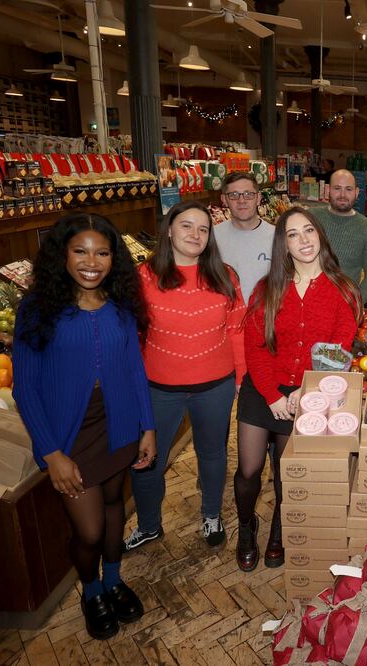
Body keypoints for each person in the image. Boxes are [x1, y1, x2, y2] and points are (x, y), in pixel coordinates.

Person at [13, 213, 155, 641]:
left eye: (103, 252)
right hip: (70, 432)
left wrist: (147, 426)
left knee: (115, 506)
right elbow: (25, 387)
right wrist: (51, 452)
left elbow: (134, 369)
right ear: (63, 254)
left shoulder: (121, 303)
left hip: (121, 423)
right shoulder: (38, 308)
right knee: (89, 529)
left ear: (115, 258)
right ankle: (90, 588)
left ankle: (112, 579)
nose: (92, 261)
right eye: (81, 251)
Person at [234, 207, 361, 571]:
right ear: (283, 244)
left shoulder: (343, 290)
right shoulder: (267, 287)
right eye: (292, 234)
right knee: (249, 469)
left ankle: (278, 529)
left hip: (311, 394)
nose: (303, 240)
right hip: (263, 388)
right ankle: (247, 525)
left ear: (320, 235)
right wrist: (273, 394)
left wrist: (305, 392)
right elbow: (254, 346)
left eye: (309, 230)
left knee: (287, 472)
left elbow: (338, 351)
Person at [123, 201, 245, 553]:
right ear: (169, 230)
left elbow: (236, 328)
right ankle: (148, 525)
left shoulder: (224, 275)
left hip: (215, 385)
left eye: (203, 229)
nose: (195, 234)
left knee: (213, 453)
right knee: (147, 461)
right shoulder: (143, 276)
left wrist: (240, 378)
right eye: (187, 226)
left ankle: (211, 514)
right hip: (158, 388)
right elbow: (131, 333)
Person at [311, 169, 367, 301]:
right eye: (337, 188)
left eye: (348, 189)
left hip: (345, 303)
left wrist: (355, 302)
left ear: (357, 193)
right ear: (327, 191)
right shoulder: (311, 218)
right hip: (308, 301)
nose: (342, 194)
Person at [215, 172, 274, 304]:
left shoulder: (277, 237)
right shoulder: (212, 238)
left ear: (258, 198)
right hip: (227, 319)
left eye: (248, 194)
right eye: (234, 195)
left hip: (265, 319)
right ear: (224, 200)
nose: (242, 200)